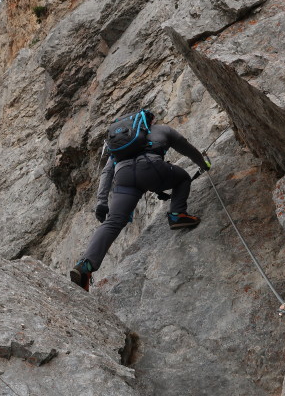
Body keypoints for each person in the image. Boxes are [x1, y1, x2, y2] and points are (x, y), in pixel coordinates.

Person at [70, 110, 211, 291]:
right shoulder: (161, 130)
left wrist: (101, 201)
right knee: (183, 177)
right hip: (151, 167)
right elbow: (186, 148)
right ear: (149, 121)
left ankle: (85, 266)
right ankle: (177, 215)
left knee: (113, 222)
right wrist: (203, 164)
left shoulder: (119, 144)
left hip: (124, 178)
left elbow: (107, 172)